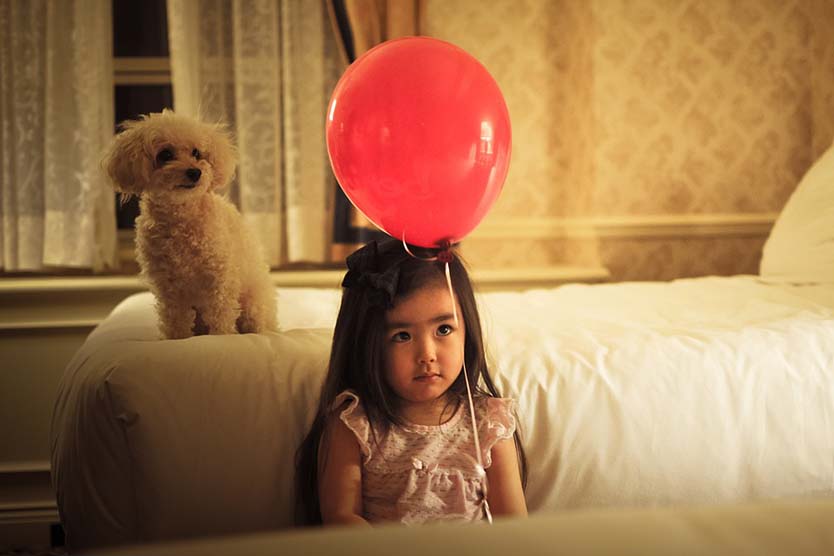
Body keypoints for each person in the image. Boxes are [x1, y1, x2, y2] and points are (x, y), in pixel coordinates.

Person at [295, 238, 528, 526]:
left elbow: (514, 527)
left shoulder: (489, 425)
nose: (427, 355)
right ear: (369, 344)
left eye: (444, 329)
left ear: (467, 330)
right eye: (402, 336)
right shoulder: (355, 424)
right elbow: (342, 518)